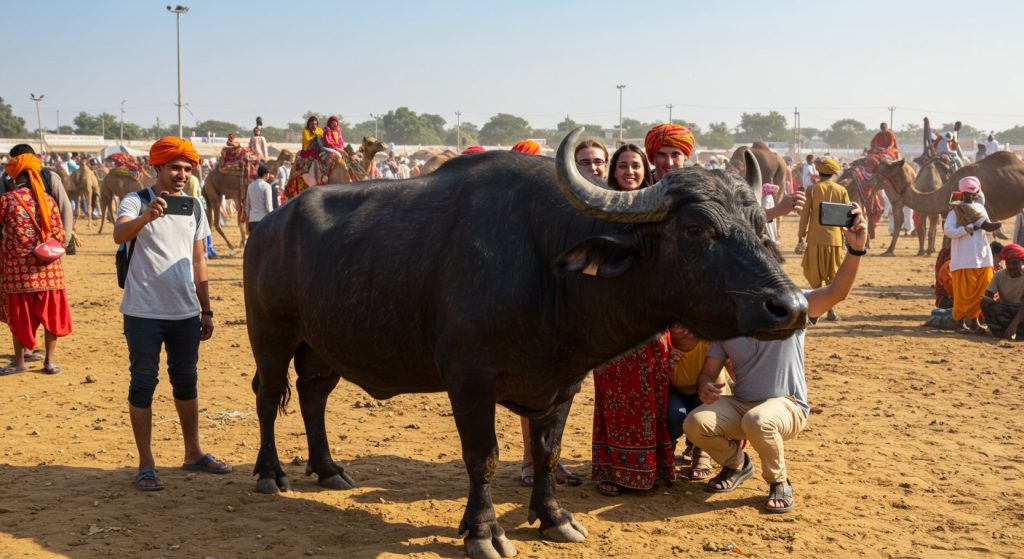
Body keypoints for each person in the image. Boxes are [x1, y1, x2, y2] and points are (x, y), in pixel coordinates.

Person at [684, 203, 868, 514]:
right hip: (743, 404)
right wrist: (705, 386)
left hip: (788, 405)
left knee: (759, 421)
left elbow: (836, 293)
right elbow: (708, 373)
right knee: (695, 422)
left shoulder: (794, 304)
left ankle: (779, 481)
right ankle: (737, 464)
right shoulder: (726, 317)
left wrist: (856, 250)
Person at [113, 137, 230, 491]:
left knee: (186, 381)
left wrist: (205, 309)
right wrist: (147, 218)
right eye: (175, 168)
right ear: (158, 168)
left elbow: (199, 261)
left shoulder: (194, 207)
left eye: (187, 169)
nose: (181, 174)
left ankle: (192, 453)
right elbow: (119, 234)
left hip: (184, 312)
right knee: (144, 383)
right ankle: (146, 463)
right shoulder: (136, 200)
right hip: (143, 311)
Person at [591, 144, 674, 496]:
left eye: (636, 166)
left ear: (646, 170)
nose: (629, 172)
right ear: (614, 171)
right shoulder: (599, 208)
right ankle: (612, 471)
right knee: (613, 397)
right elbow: (590, 265)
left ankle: (653, 469)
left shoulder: (663, 210)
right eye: (623, 166)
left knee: (652, 397)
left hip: (653, 321)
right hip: (611, 323)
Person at [0, 152, 72, 376]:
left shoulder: (6, 201)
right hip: (48, 270)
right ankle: (49, 362)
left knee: (19, 316)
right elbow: (59, 234)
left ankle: (20, 362)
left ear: (14, 178)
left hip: (17, 271)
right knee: (51, 316)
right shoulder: (48, 201)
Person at [665, 324, 729, 480]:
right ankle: (666, 455)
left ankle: (701, 451)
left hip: (706, 393)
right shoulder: (664, 344)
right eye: (678, 324)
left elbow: (731, 366)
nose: (686, 328)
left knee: (706, 414)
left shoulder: (710, 340)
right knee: (671, 416)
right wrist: (664, 362)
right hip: (675, 391)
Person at [797, 157, 851, 320]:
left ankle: (817, 309)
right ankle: (830, 310)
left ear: (818, 172)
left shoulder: (813, 190)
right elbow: (847, 217)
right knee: (832, 276)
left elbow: (805, 215)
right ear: (833, 173)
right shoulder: (841, 191)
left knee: (814, 275)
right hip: (835, 240)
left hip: (814, 239)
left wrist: (801, 236)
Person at [943, 176, 995, 334]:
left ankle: (974, 322)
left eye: (973, 193)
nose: (970, 196)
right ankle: (959, 322)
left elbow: (986, 226)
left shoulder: (981, 207)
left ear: (978, 192)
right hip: (964, 257)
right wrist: (965, 230)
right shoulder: (955, 210)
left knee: (982, 289)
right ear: (961, 193)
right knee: (963, 292)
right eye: (967, 193)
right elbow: (948, 230)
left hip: (983, 255)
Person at [982, 244, 1024, 339]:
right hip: (1005, 309)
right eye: (1008, 263)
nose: (1011, 267)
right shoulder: (999, 275)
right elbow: (988, 295)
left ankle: (1012, 329)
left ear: (1021, 263)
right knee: (983, 301)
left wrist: (1014, 324)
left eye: (1015, 263)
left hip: (1021, 309)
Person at [245, 164, 273, 234]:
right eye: (268, 174)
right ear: (265, 174)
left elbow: (247, 204)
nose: (269, 176)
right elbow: (268, 207)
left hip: (252, 220)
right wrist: (274, 216)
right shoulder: (267, 186)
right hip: (263, 220)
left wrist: (247, 220)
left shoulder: (250, 186)